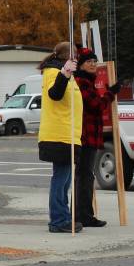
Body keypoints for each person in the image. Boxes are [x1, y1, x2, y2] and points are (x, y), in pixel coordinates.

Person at [36, 42, 83, 233]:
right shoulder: (53, 73)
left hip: (69, 134)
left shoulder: (69, 75)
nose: (77, 60)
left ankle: (64, 216)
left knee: (65, 179)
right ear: (65, 57)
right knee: (61, 179)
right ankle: (58, 219)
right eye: (74, 56)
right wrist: (64, 73)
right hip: (58, 135)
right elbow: (55, 94)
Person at [73, 46, 121, 227]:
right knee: (84, 175)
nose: (93, 64)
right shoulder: (81, 81)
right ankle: (81, 215)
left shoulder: (87, 81)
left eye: (94, 61)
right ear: (81, 64)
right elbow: (96, 105)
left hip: (89, 134)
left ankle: (84, 214)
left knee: (86, 175)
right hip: (85, 135)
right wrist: (111, 93)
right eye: (89, 62)